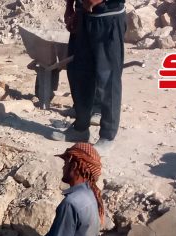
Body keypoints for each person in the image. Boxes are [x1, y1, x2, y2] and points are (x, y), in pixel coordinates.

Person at [53, 0, 126, 156]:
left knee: (107, 79)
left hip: (108, 17)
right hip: (83, 17)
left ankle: (107, 135)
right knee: (79, 74)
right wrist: (70, 7)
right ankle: (80, 129)